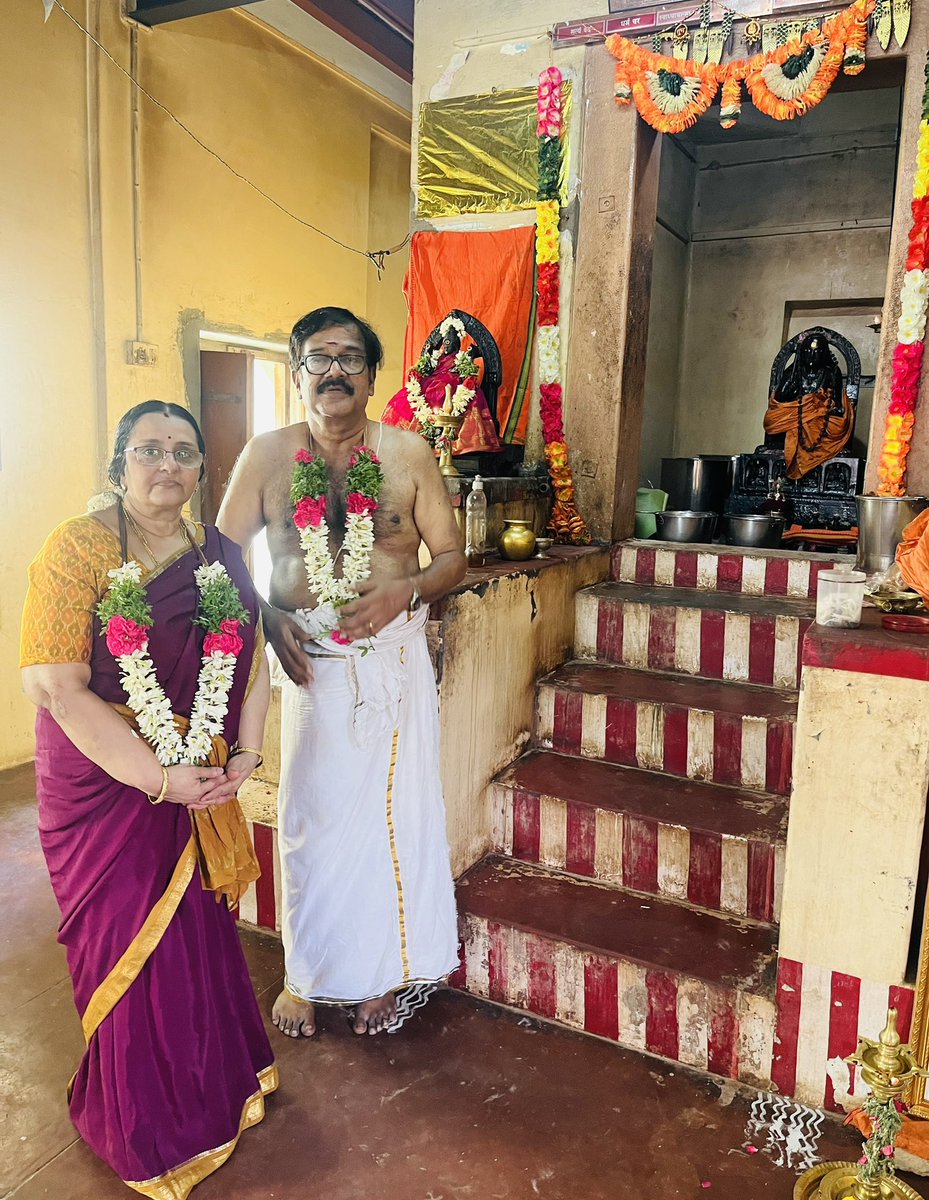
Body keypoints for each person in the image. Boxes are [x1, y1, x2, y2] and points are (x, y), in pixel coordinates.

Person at [20, 401, 276, 1198]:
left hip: (196, 774)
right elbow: (56, 688)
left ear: (202, 468)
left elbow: (253, 663)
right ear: (118, 465)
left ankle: (211, 1089)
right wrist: (156, 780)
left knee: (195, 930)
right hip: (103, 785)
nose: (166, 464)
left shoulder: (222, 558)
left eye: (184, 451)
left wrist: (245, 751)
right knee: (124, 939)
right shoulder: (77, 550)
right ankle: (145, 1124)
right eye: (147, 450)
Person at [217, 305, 466, 1039]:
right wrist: (268, 618)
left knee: (392, 822)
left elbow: (451, 557)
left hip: (390, 661)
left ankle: (381, 974)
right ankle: (307, 974)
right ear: (297, 374)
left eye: (349, 358)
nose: (334, 372)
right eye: (318, 358)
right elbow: (224, 558)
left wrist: (406, 590)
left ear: (371, 374)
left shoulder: (408, 453)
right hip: (309, 668)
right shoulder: (266, 455)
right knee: (309, 823)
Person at [381, 319, 502, 456]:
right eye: (445, 342)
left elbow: (466, 372)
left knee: (447, 393)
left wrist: (470, 356)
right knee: (407, 397)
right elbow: (425, 369)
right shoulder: (436, 357)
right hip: (432, 381)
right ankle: (422, 437)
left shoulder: (461, 358)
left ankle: (449, 441)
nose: (446, 345)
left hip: (455, 384)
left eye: (450, 342)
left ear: (457, 344)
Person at [762, 332, 855, 479]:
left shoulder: (831, 372)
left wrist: (828, 406)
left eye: (817, 351)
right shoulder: (793, 371)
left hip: (819, 417)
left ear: (824, 354)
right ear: (802, 353)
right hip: (794, 415)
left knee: (838, 424)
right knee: (771, 420)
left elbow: (838, 403)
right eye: (808, 351)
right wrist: (788, 389)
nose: (812, 355)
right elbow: (779, 399)